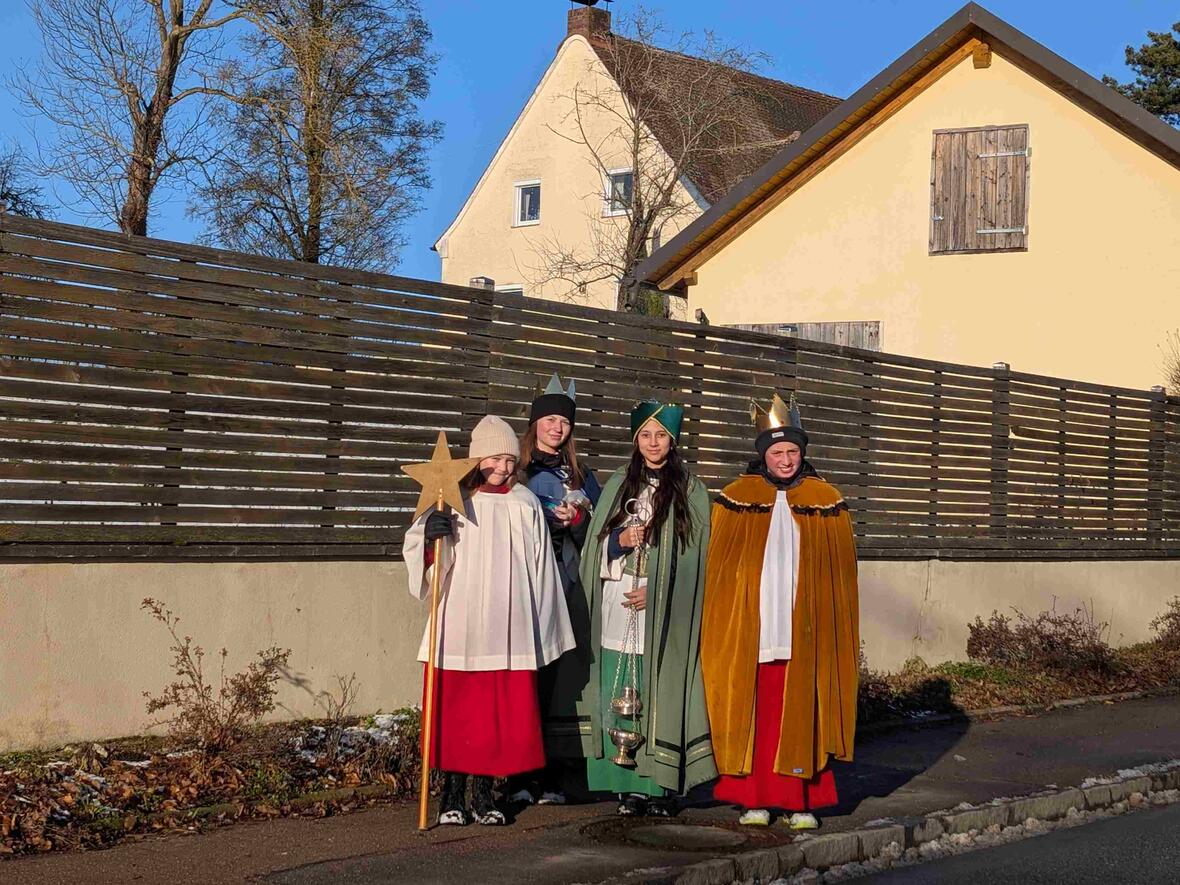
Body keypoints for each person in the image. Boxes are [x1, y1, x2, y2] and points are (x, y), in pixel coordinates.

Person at [403, 415, 575, 826]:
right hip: (459, 624)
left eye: (510, 460)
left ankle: (483, 797)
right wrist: (432, 537)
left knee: (492, 720)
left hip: (507, 628)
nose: (503, 467)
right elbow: (428, 563)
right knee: (457, 715)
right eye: (494, 459)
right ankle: (451, 797)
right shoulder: (453, 501)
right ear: (476, 459)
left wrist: (543, 628)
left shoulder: (525, 503)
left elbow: (541, 568)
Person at [548, 400, 716, 817]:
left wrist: (656, 592)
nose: (653, 443)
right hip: (618, 602)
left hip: (663, 615)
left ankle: (658, 786)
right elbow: (594, 550)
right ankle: (625, 786)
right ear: (635, 439)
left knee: (655, 694)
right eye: (645, 435)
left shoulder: (692, 490)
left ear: (673, 441)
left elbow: (697, 560)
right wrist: (617, 543)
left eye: (661, 435)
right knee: (617, 692)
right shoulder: (619, 484)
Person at [701, 394, 859, 829]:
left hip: (804, 628)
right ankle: (754, 798)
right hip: (751, 627)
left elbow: (841, 578)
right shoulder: (735, 499)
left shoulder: (826, 500)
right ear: (763, 456)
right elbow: (719, 570)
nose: (786, 460)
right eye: (777, 453)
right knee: (756, 712)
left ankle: (800, 801)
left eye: (792, 451)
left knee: (802, 712)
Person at [512, 374, 602, 806]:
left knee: (562, 682)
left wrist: (579, 521)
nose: (557, 428)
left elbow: (603, 530)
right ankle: (520, 774)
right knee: (525, 679)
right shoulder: (516, 471)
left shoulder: (582, 476)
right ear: (535, 424)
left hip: (567, 587)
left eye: (564, 422)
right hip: (525, 586)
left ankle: (555, 772)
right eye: (549, 420)